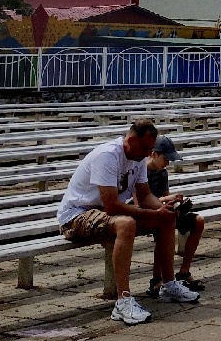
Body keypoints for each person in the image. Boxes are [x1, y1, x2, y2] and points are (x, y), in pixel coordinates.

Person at [56, 119, 200, 326]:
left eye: (150, 149)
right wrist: (152, 213)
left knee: (166, 219)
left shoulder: (139, 157)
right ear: (131, 140)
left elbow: (145, 195)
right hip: (76, 216)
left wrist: (162, 210)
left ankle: (168, 285)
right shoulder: (108, 155)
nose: (147, 153)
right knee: (126, 224)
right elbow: (112, 206)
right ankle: (123, 301)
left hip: (105, 213)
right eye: (144, 148)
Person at [145, 136, 206, 298]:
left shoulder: (162, 173)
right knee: (165, 228)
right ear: (154, 154)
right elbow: (144, 199)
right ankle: (157, 279)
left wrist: (175, 200)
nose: (167, 163)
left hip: (164, 211)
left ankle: (184, 272)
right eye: (165, 159)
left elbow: (164, 195)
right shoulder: (142, 173)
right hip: (150, 213)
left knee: (198, 221)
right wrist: (168, 200)